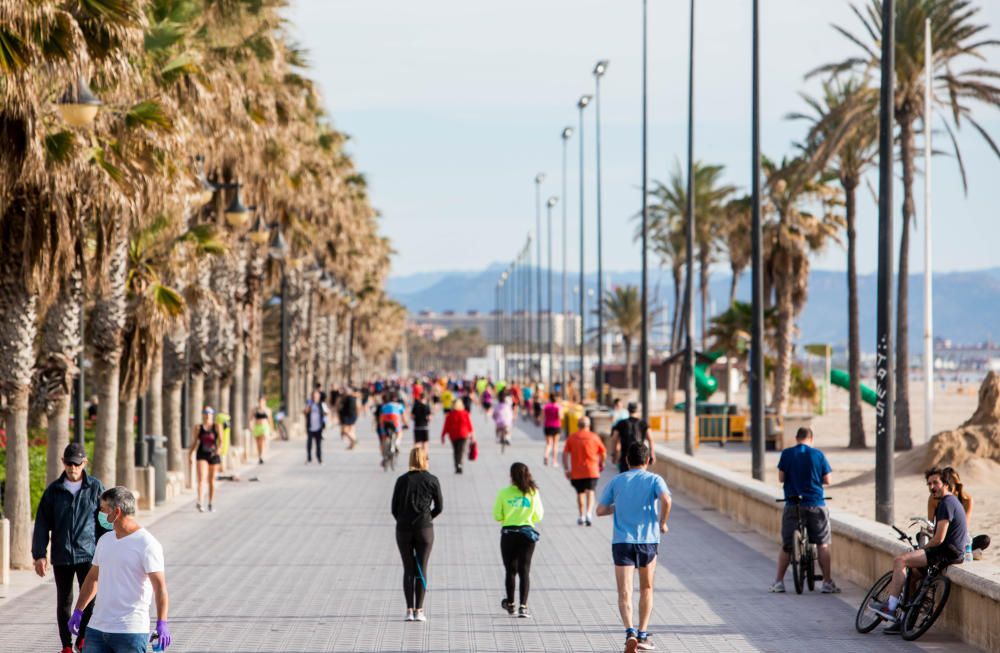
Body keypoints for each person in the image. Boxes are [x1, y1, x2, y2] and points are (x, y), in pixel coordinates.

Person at [69, 487, 171, 653]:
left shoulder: (147, 544)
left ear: (116, 512)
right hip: (97, 629)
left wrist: (162, 623)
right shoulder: (105, 540)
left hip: (130, 632)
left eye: (102, 509)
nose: (99, 513)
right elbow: (93, 578)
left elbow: (160, 588)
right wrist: (78, 611)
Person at [871, 467, 968, 633]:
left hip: (946, 552)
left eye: (935, 483)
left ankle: (891, 607)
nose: (932, 487)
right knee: (913, 575)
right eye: (929, 484)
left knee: (900, 560)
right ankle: (904, 621)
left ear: (946, 484)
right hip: (954, 552)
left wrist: (922, 548)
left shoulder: (946, 503)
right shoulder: (952, 502)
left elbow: (939, 538)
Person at [596, 443, 672, 653]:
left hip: (622, 541)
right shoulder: (655, 480)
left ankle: (629, 631)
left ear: (627, 460)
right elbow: (666, 499)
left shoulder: (617, 480)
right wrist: (662, 522)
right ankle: (643, 634)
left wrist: (617, 507)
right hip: (647, 540)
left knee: (624, 591)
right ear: (647, 460)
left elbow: (600, 510)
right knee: (646, 588)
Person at [32, 443, 108, 653]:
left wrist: (107, 551)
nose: (73, 468)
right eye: (69, 464)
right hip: (62, 555)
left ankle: (82, 638)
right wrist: (39, 554)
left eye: (77, 464)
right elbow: (41, 524)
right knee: (64, 601)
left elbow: (104, 522)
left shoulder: (95, 488)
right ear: (63, 463)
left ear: (84, 463)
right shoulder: (53, 492)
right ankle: (66, 645)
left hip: (88, 555)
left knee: (90, 601)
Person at [770, 426, 838, 594]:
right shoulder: (818, 455)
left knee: (787, 545)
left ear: (796, 438)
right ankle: (827, 583)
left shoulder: (787, 454)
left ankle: (779, 582)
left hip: (793, 504)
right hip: (815, 503)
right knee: (822, 544)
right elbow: (827, 480)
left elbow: (781, 478)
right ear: (811, 439)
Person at [391, 448, 443, 622]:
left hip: (403, 529)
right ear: (425, 460)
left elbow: (393, 508)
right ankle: (419, 610)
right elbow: (439, 507)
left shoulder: (402, 480)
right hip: (425, 530)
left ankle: (408, 610)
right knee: (421, 567)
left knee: (408, 569)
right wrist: (427, 518)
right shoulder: (432, 480)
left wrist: (403, 520)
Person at [493, 462, 544, 619]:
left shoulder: (503, 493)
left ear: (511, 476)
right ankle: (523, 606)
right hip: (527, 535)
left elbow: (497, 515)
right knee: (525, 570)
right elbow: (538, 516)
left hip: (509, 534)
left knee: (510, 571)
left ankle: (510, 604)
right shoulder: (533, 492)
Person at [927, 467, 990, 557]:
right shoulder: (934, 498)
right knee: (920, 536)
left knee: (985, 539)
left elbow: (964, 526)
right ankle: (970, 553)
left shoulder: (966, 500)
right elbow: (930, 524)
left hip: (957, 539)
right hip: (940, 535)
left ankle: (967, 551)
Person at [562, 416, 607, 526]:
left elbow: (565, 454)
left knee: (580, 493)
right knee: (590, 491)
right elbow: (603, 452)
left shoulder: (572, 437)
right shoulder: (594, 437)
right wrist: (602, 463)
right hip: (592, 470)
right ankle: (589, 514)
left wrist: (567, 468)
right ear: (589, 425)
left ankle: (581, 515)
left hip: (577, 471)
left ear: (578, 425)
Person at [188, 406, 221, 512]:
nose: (207, 415)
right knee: (201, 479)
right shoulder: (198, 427)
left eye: (209, 413)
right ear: (203, 414)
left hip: (213, 455)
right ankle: (200, 502)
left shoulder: (216, 426)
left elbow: (221, 441)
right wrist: (190, 454)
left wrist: (218, 450)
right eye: (205, 412)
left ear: (212, 415)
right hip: (202, 454)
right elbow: (195, 442)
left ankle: (210, 503)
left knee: (211, 481)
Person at [610, 403, 655, 474]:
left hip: (625, 456)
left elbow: (614, 439)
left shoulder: (621, 423)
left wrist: (614, 454)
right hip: (640, 455)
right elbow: (650, 439)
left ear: (628, 410)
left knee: (624, 478)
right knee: (640, 477)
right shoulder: (643, 423)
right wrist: (652, 454)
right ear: (638, 410)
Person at [441, 399, 474, 474]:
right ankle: (459, 465)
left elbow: (446, 426)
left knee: (456, 451)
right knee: (461, 451)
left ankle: (457, 465)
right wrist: (472, 435)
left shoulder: (450, 414)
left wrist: (443, 435)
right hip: (463, 434)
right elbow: (469, 425)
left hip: (453, 435)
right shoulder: (465, 413)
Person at [304, 389, 329, 465]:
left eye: (316, 396)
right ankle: (309, 459)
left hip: (319, 427)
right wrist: (309, 406)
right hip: (310, 427)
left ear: (319, 396)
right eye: (314, 396)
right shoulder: (309, 403)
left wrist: (325, 421)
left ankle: (319, 459)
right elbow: (305, 412)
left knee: (318, 444)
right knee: (309, 444)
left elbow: (327, 413)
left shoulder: (322, 404)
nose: (315, 397)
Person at [249, 396, 273, 465]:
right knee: (258, 443)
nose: (261, 403)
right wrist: (250, 426)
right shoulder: (255, 410)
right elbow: (251, 419)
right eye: (259, 401)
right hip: (257, 427)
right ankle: (260, 456)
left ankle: (262, 455)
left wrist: (271, 429)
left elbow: (270, 420)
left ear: (264, 402)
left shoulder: (268, 410)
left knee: (262, 441)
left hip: (264, 427)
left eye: (262, 401)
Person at [541, 394, 563, 467]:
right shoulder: (558, 406)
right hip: (556, 426)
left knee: (548, 443)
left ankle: (546, 455)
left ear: (550, 399)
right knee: (555, 444)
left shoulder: (546, 406)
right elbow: (560, 416)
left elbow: (543, 416)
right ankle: (554, 461)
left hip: (547, 426)